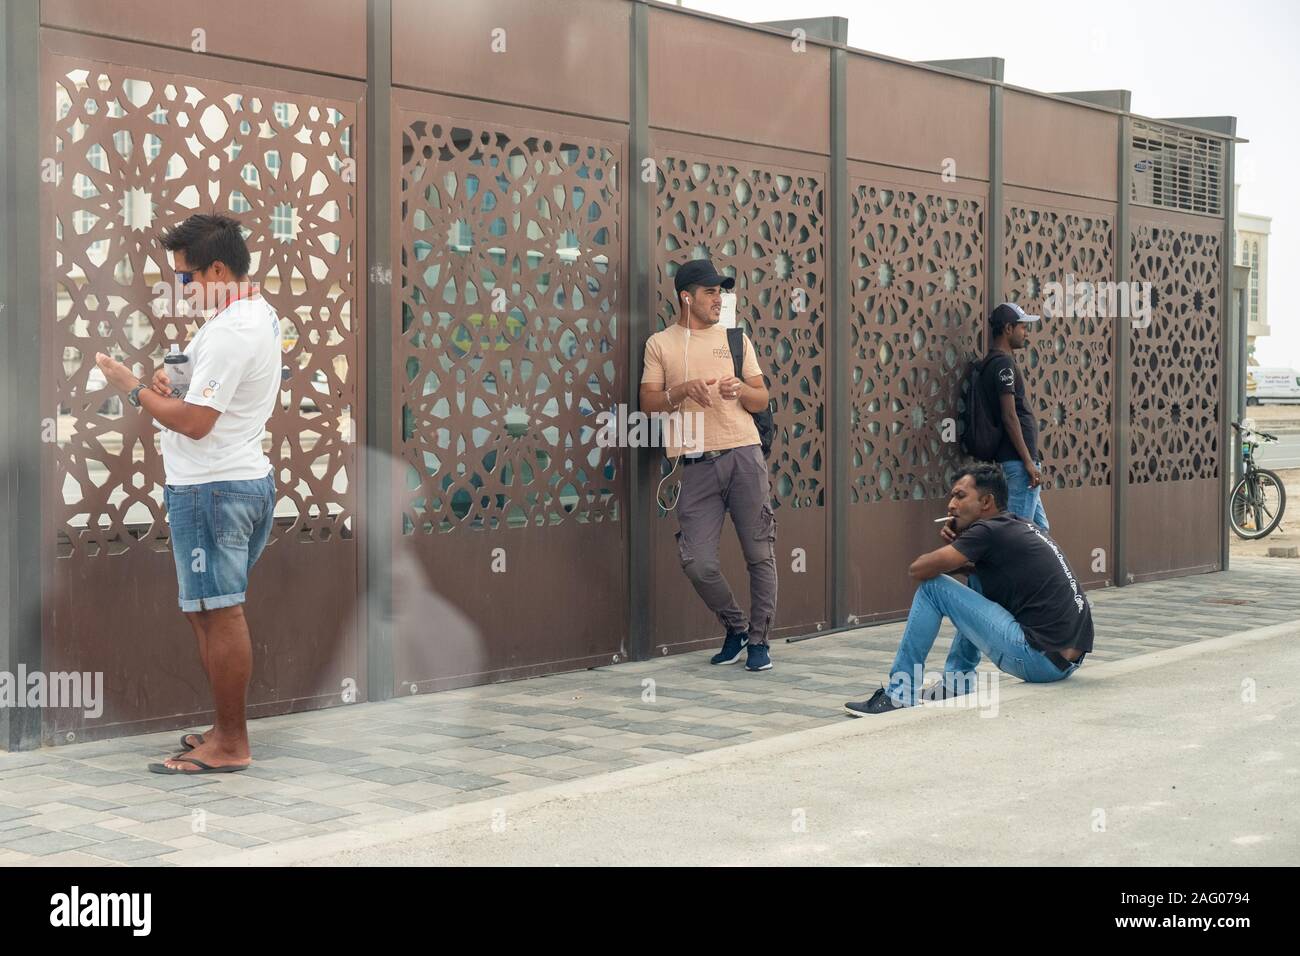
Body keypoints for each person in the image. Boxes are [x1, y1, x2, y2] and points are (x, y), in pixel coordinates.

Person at [93, 214, 280, 773]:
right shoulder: (251, 312)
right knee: (208, 612)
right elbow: (199, 393)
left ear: (218, 270)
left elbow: (196, 422)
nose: (181, 288)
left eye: (186, 277)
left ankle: (231, 744)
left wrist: (131, 391)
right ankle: (223, 729)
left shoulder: (231, 329)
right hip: (233, 481)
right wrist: (166, 383)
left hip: (213, 489)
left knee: (219, 614)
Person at [845, 464, 1091, 715]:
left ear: (986, 501)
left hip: (1036, 660)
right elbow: (983, 577)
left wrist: (958, 549)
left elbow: (918, 570)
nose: (951, 505)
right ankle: (956, 684)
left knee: (932, 588)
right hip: (1063, 662)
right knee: (976, 579)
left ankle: (899, 695)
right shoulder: (1017, 525)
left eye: (960, 496)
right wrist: (963, 556)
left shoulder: (987, 531)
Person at [639, 259, 777, 671]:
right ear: (687, 297)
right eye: (710, 292)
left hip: (744, 455)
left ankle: (759, 641)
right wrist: (680, 391)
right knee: (697, 561)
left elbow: (762, 399)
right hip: (696, 463)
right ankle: (735, 627)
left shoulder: (735, 340)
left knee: (759, 553)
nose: (719, 299)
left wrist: (741, 391)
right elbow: (648, 404)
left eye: (722, 292)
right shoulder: (659, 344)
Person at [982, 302, 1048, 529]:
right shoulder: (1003, 364)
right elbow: (1009, 416)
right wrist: (1028, 461)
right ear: (1008, 329)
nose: (1026, 332)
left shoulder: (997, 362)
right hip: (1018, 462)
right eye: (1022, 327)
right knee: (1018, 532)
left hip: (1018, 461)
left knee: (1040, 530)